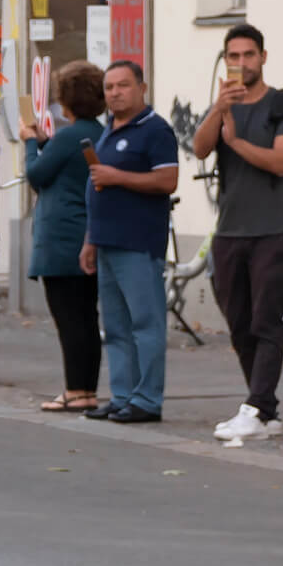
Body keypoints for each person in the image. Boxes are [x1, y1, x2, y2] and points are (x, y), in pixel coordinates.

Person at [191, 24, 283, 443]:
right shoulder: (225, 106)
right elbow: (200, 148)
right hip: (229, 230)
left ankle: (256, 407)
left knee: (265, 320)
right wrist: (219, 110)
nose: (241, 64)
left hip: (272, 229)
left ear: (263, 57)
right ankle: (265, 409)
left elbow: (280, 161)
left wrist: (236, 143)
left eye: (248, 55)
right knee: (238, 321)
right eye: (233, 57)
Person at [81, 60, 179, 424]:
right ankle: (122, 395)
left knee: (145, 324)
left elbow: (168, 181)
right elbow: (98, 188)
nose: (115, 93)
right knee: (117, 328)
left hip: (138, 242)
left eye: (123, 85)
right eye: (109, 87)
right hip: (106, 241)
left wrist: (116, 176)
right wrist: (90, 240)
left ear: (142, 88)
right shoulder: (109, 129)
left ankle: (148, 399)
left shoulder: (155, 131)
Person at [19, 61, 105, 412]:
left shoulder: (68, 136)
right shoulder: (99, 132)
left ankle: (73, 390)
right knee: (87, 318)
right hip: (88, 234)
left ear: (65, 101)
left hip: (60, 238)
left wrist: (29, 143)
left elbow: (37, 174)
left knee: (68, 319)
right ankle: (88, 390)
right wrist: (45, 141)